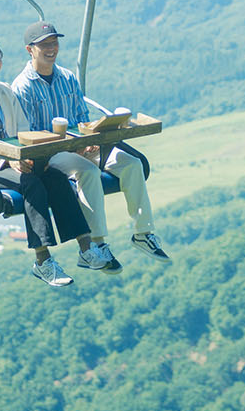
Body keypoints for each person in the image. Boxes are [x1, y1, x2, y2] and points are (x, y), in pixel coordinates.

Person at [0, 37, 116, 285]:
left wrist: (30, 156)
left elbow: (24, 130)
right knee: (32, 184)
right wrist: (7, 160)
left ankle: (86, 248)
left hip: (19, 159)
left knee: (56, 179)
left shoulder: (4, 92)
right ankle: (43, 260)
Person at [11, 21, 170, 263]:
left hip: (81, 145)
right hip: (53, 153)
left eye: (54, 42)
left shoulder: (67, 78)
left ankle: (143, 232)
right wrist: (72, 146)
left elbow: (82, 117)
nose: (51, 48)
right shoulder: (22, 87)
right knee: (86, 170)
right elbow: (30, 134)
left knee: (131, 163)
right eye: (44, 45)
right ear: (30, 49)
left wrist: (91, 139)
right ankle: (97, 243)